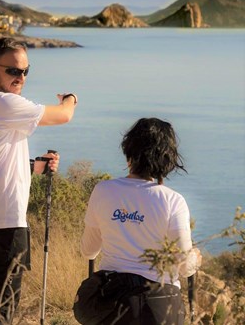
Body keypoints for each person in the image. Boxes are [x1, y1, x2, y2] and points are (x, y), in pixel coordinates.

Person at [0, 37, 78, 324]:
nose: (21, 78)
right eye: (13, 71)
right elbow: (64, 115)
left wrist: (37, 168)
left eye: (26, 71)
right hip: (5, 225)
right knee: (1, 313)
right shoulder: (2, 103)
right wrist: (71, 98)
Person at [79, 118, 202, 324]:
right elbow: (183, 266)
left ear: (129, 151)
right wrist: (196, 259)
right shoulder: (173, 200)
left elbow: (88, 250)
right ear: (167, 159)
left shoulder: (103, 190)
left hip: (112, 302)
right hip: (158, 305)